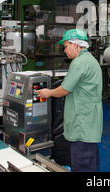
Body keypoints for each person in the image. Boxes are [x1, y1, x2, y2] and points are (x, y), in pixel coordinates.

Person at [36, 29, 103, 172]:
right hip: (89, 119)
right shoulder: (90, 60)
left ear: (75, 45)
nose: (65, 50)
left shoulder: (79, 63)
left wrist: (48, 92)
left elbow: (63, 90)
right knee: (89, 158)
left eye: (66, 46)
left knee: (82, 162)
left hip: (82, 121)